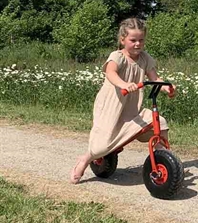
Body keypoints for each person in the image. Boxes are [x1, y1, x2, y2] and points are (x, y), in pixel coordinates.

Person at [70, 17, 175, 184]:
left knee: (160, 123)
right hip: (111, 107)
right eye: (133, 40)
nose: (138, 44)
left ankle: (161, 154)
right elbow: (111, 73)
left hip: (132, 108)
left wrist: (165, 87)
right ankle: (85, 159)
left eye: (141, 40)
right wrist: (124, 84)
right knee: (101, 148)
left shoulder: (145, 58)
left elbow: (155, 77)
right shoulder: (117, 56)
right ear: (123, 40)